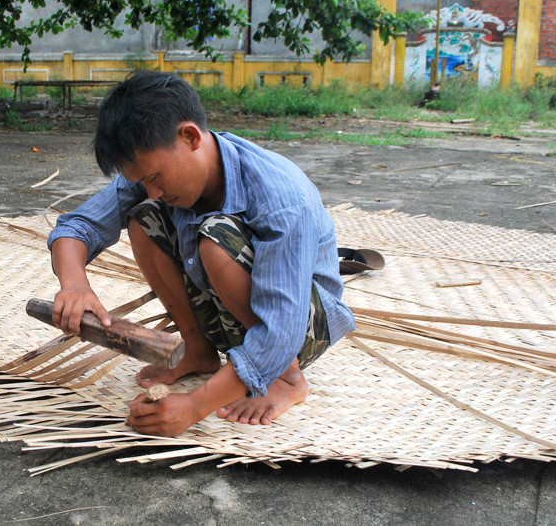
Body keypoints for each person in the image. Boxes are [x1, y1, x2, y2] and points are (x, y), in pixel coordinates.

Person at [47, 70, 355, 437]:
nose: (153, 190)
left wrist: (194, 406)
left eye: (156, 178)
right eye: (144, 181)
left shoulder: (282, 198)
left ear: (190, 136)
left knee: (215, 237)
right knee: (143, 218)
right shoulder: (154, 170)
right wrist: (75, 284)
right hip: (236, 317)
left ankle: (287, 379)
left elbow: (281, 329)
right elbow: (76, 226)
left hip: (301, 325)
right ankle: (198, 350)